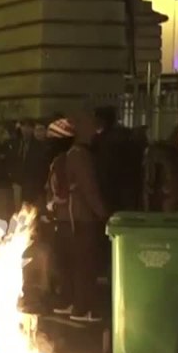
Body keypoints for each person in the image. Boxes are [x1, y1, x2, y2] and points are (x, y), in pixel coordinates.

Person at [51, 114, 110, 322]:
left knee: (69, 264)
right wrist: (104, 214)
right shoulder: (80, 155)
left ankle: (69, 303)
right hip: (81, 218)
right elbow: (89, 188)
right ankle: (82, 309)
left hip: (64, 218)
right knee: (85, 265)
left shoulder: (59, 159)